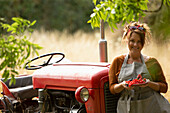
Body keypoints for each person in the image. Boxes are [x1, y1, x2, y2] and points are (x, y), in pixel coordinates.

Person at [109, 22, 170, 113]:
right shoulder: (118, 61)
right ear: (127, 41)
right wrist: (122, 85)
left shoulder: (151, 62)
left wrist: (149, 83)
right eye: (132, 41)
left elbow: (164, 88)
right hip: (126, 108)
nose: (135, 45)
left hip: (152, 107)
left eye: (139, 42)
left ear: (143, 43)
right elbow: (112, 89)